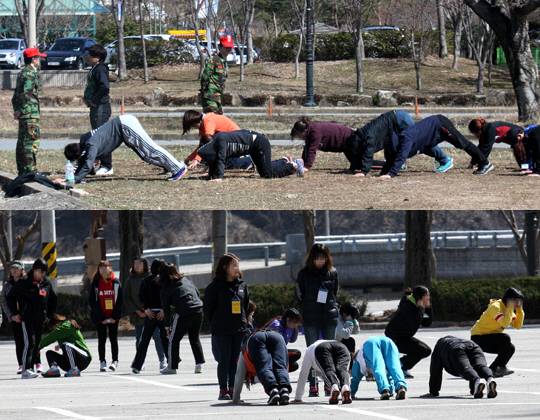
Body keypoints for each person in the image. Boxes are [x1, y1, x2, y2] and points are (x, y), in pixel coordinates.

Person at [290, 112, 450, 175]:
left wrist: (307, 166)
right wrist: (302, 162)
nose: (300, 139)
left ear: (303, 131)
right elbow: (308, 149)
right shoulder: (311, 131)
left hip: (352, 140)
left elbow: (311, 151)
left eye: (298, 136)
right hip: (347, 143)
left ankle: (443, 159)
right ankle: (396, 163)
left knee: (417, 143)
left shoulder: (315, 131)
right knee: (355, 166)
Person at [61, 115, 187, 184]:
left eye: (74, 160)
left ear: (77, 155)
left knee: (150, 149)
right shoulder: (85, 142)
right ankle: (173, 167)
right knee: (146, 156)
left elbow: (88, 165)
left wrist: (75, 179)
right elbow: (85, 162)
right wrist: (74, 177)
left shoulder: (90, 145)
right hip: (123, 130)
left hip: (125, 125)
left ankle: (178, 168)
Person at [381, 115, 494, 178]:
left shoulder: (406, 139)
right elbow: (391, 159)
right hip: (432, 134)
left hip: (440, 125)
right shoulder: (394, 142)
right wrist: (383, 173)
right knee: (426, 147)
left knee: (463, 143)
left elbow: (401, 157)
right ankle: (444, 161)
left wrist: (391, 174)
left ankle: (485, 163)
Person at [204, 253, 250, 400]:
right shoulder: (215, 287)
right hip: (222, 330)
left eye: (237, 265)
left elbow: (246, 306)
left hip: (239, 330)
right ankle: (223, 390)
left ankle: (233, 389)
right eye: (234, 265)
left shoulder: (242, 285)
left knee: (235, 361)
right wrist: (216, 324)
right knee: (224, 360)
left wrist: (244, 322)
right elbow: (208, 309)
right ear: (225, 267)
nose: (237, 268)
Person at [295, 243, 339, 397]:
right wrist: (305, 310)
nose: (320, 261)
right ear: (312, 258)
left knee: (328, 353)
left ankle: (329, 384)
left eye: (323, 257)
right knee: (312, 352)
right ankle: (313, 385)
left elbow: (335, 293)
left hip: (328, 316)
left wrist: (334, 308)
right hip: (311, 318)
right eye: (317, 258)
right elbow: (299, 295)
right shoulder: (304, 274)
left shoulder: (332, 272)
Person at [7, 258, 57, 379]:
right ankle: (25, 369)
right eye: (41, 272)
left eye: (44, 272)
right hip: (27, 318)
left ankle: (32, 368)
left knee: (36, 344)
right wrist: (14, 314)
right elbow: (10, 297)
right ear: (35, 270)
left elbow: (53, 300)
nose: (43, 274)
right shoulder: (24, 282)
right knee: (29, 343)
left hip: (40, 319)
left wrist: (48, 316)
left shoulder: (46, 283)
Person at [198, 129, 304, 180]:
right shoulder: (217, 141)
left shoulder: (220, 140)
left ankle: (293, 165)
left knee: (268, 174)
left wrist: (219, 178)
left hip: (259, 144)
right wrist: (210, 176)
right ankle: (283, 161)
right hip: (253, 148)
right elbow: (214, 161)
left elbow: (221, 159)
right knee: (264, 172)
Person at [159, 263, 205, 375]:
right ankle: (199, 365)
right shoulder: (186, 280)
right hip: (198, 309)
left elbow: (166, 309)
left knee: (173, 340)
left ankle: (172, 367)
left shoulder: (167, 287)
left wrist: (167, 326)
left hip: (184, 312)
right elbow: (197, 293)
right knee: (194, 338)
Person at [470, 287, 525, 378]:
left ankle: (494, 369)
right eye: (516, 301)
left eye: (519, 301)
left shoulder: (508, 309)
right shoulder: (496, 307)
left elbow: (517, 325)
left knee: (510, 348)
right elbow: (504, 323)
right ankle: (497, 368)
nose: (518, 303)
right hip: (478, 338)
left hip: (490, 338)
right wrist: (510, 308)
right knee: (505, 338)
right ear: (509, 300)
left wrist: (519, 310)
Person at [126, 258, 167, 372]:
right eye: (135, 264)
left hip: (157, 314)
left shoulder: (157, 278)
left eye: (140, 264)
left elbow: (166, 296)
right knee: (141, 339)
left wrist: (163, 309)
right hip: (140, 315)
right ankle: (139, 363)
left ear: (145, 265)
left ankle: (163, 360)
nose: (137, 266)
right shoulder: (131, 279)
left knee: (159, 338)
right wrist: (140, 310)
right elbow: (129, 297)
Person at [232, 330, 292, 406]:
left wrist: (235, 399)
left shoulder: (244, 349)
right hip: (277, 336)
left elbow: (239, 375)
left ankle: (273, 391)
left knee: (264, 367)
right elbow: (285, 366)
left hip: (256, 338)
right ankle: (284, 390)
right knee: (280, 367)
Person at [385, 286, 432, 378]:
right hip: (394, 337)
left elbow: (427, 323)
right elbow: (411, 318)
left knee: (426, 350)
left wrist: (429, 308)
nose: (428, 297)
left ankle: (401, 366)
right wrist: (420, 308)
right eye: (427, 295)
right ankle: (397, 367)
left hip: (405, 337)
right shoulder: (408, 306)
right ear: (420, 297)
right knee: (422, 350)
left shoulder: (419, 306)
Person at [11, 47, 46, 175]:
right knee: (31, 141)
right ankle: (31, 170)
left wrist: (17, 110)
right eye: (39, 58)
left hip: (24, 113)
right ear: (33, 59)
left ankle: (23, 170)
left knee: (22, 142)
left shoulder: (22, 72)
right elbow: (27, 93)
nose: (40, 60)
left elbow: (15, 95)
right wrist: (25, 110)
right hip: (30, 113)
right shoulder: (31, 73)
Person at [428, 336, 497, 399]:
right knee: (480, 366)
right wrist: (473, 391)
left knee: (465, 368)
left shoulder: (439, 346)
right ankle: (490, 379)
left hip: (456, 348)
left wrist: (433, 391)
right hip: (474, 346)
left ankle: (477, 381)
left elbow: (435, 370)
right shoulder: (453, 340)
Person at [89, 260, 123, 372]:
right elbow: (93, 302)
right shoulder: (95, 283)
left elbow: (120, 301)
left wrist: (114, 317)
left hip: (113, 317)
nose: (103, 269)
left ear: (110, 268)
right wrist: (101, 318)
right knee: (101, 339)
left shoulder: (116, 282)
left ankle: (115, 361)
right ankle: (102, 361)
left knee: (114, 339)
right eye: (101, 267)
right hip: (101, 318)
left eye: (106, 267)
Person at [83, 44, 112, 175]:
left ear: (98, 57)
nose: (87, 56)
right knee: (96, 135)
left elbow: (105, 87)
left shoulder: (100, 69)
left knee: (101, 135)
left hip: (101, 107)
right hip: (95, 108)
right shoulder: (94, 68)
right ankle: (96, 163)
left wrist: (94, 99)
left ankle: (107, 166)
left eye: (90, 54)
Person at [294, 340, 352, 405]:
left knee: (329, 369)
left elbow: (303, 373)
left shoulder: (309, 350)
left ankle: (334, 386)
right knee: (343, 370)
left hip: (320, 347)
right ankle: (346, 387)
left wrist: (298, 397)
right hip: (341, 346)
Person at [351, 336, 407, 400]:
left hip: (370, 344)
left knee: (378, 367)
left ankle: (384, 390)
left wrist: (351, 393)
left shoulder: (357, 362)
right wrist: (391, 391)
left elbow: (354, 379)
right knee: (395, 367)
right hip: (389, 341)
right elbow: (388, 375)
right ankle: (401, 387)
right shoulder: (363, 357)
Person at [0, 261, 26, 374]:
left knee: (30, 341)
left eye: (17, 268)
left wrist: (26, 315)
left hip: (27, 317)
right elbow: (3, 301)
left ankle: (35, 362)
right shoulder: (7, 285)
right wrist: (11, 316)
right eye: (12, 268)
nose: (14, 270)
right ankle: (21, 364)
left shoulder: (27, 283)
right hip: (14, 318)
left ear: (22, 270)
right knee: (19, 341)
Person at [200, 35, 234, 114]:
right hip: (210, 96)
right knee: (212, 119)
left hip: (218, 97)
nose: (228, 50)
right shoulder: (213, 60)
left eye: (230, 48)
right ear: (220, 47)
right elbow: (205, 77)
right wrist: (205, 94)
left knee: (219, 121)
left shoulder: (224, 62)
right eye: (226, 47)